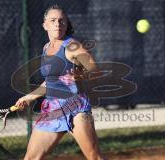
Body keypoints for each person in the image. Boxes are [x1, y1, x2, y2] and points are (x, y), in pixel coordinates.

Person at [15, 4, 106, 160]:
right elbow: (51, 82)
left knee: (94, 157)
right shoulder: (46, 48)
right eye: (53, 20)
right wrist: (29, 97)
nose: (57, 23)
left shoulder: (73, 46)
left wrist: (81, 76)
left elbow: (95, 70)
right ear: (45, 25)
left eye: (61, 20)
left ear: (66, 24)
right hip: (52, 109)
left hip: (75, 108)